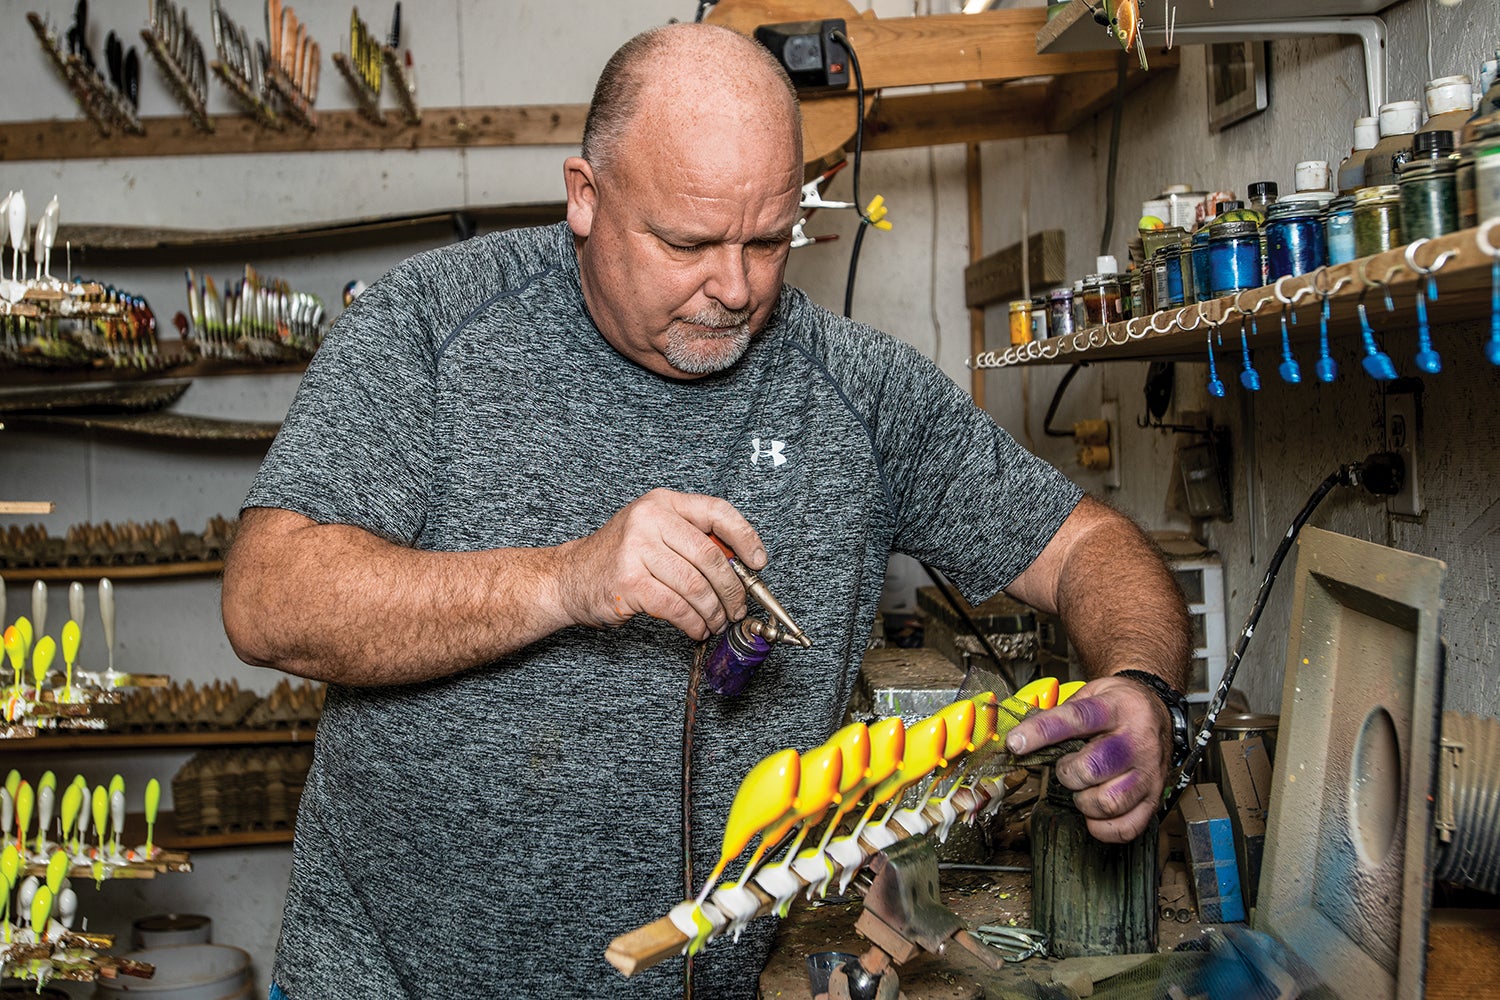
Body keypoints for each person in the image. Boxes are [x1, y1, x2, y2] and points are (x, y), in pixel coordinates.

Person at [221, 20, 1189, 1000]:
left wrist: (1143, 685)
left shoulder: (858, 393)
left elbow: (1089, 548)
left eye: (770, 240)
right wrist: (567, 578)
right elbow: (270, 598)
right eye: (686, 242)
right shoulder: (434, 328)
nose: (734, 287)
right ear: (585, 198)